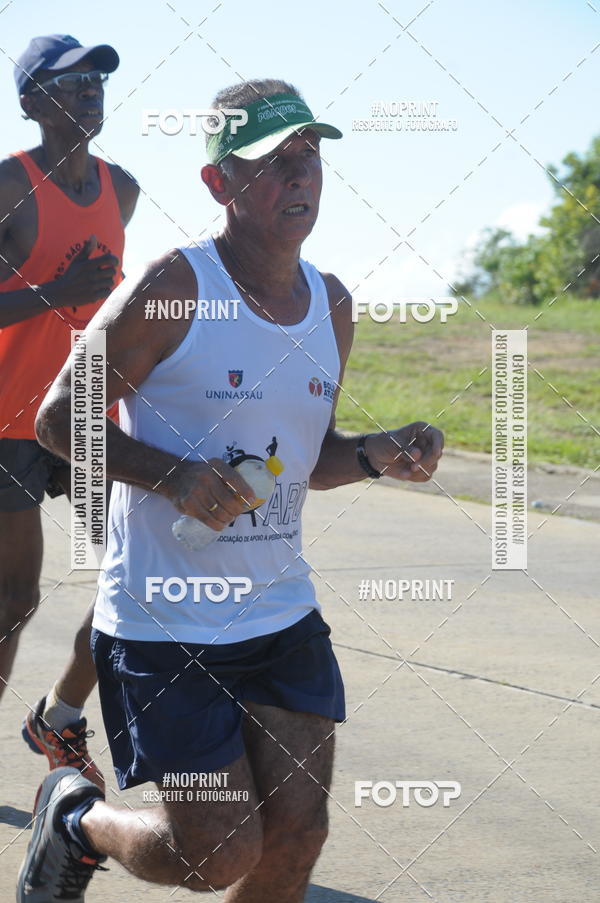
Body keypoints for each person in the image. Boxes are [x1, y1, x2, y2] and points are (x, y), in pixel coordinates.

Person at [21, 79, 443, 902]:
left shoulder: (332, 304)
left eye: (309, 158)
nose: (298, 179)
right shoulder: (177, 284)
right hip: (165, 620)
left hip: (280, 615)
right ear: (218, 183)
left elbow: (311, 458)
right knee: (213, 853)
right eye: (273, 163)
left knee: (296, 837)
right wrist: (173, 475)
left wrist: (376, 454)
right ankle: (73, 813)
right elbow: (55, 418)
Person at [0, 34, 139, 789]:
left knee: (139, 571)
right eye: (70, 81)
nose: (90, 89)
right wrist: (56, 292)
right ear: (31, 103)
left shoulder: (124, 190)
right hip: (7, 421)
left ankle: (56, 713)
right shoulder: (7, 186)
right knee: (14, 598)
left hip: (88, 412)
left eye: (96, 79)